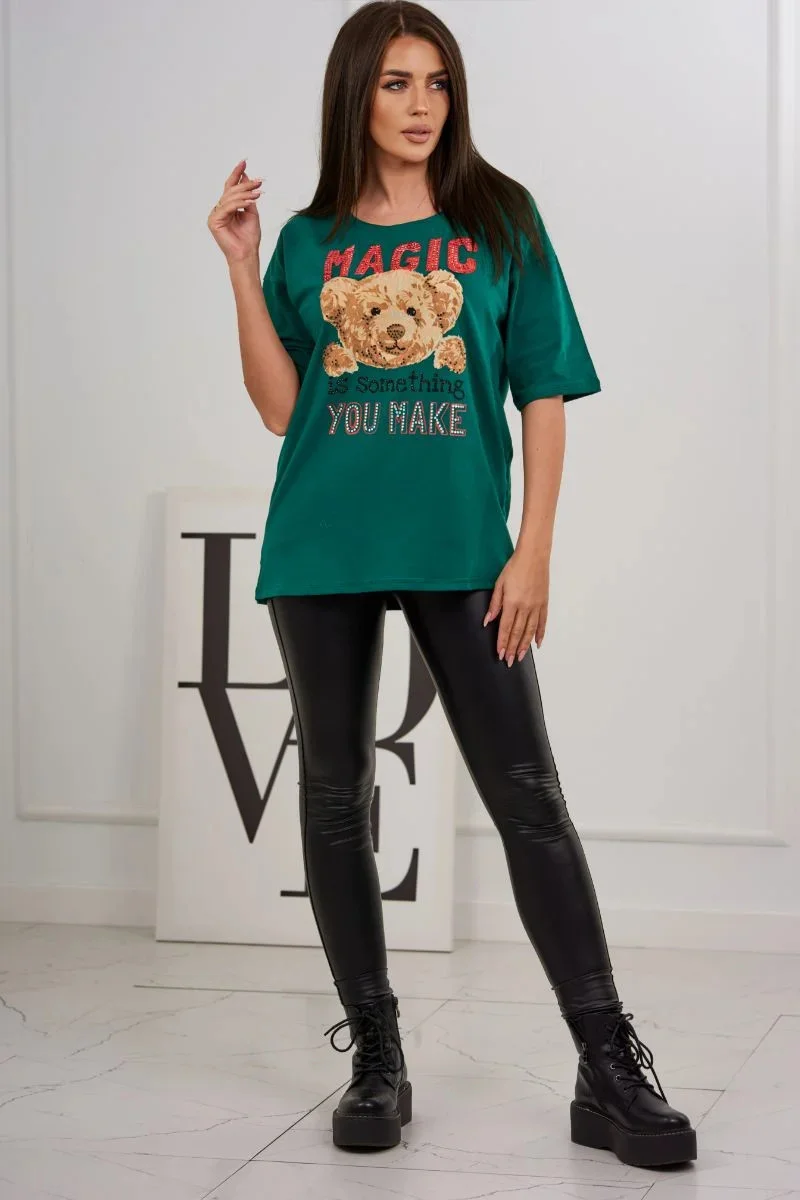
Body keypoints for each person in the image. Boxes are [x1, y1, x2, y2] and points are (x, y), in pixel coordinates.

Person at [207, 0, 697, 1170]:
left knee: (527, 795)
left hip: (464, 548)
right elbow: (281, 410)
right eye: (394, 83)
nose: (419, 104)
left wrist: (532, 548)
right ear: (355, 95)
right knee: (335, 798)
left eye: (435, 82)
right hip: (322, 543)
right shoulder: (310, 241)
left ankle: (605, 1065)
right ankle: (377, 1057)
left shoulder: (499, 220)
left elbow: (542, 391)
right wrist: (240, 268)